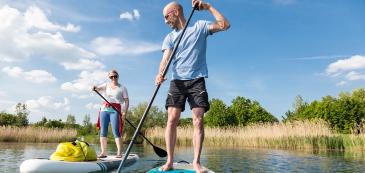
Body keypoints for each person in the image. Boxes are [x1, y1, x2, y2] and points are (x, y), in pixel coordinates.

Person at [155, 0, 230, 172]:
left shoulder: (199, 27)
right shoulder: (170, 37)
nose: (165, 21)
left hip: (197, 80)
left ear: (175, 12)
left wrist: (209, 7)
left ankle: (196, 162)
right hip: (177, 81)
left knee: (198, 121)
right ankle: (170, 161)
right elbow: (165, 59)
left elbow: (225, 25)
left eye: (166, 16)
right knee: (172, 119)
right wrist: (160, 73)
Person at [92, 70, 129, 158]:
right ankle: (104, 153)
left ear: (117, 76)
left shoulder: (122, 88)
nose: (113, 78)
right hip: (104, 109)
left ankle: (119, 153)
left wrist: (124, 112)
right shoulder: (106, 85)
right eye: (111, 77)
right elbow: (96, 89)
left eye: (115, 76)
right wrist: (94, 87)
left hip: (115, 110)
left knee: (116, 131)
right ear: (109, 78)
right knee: (103, 131)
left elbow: (126, 101)